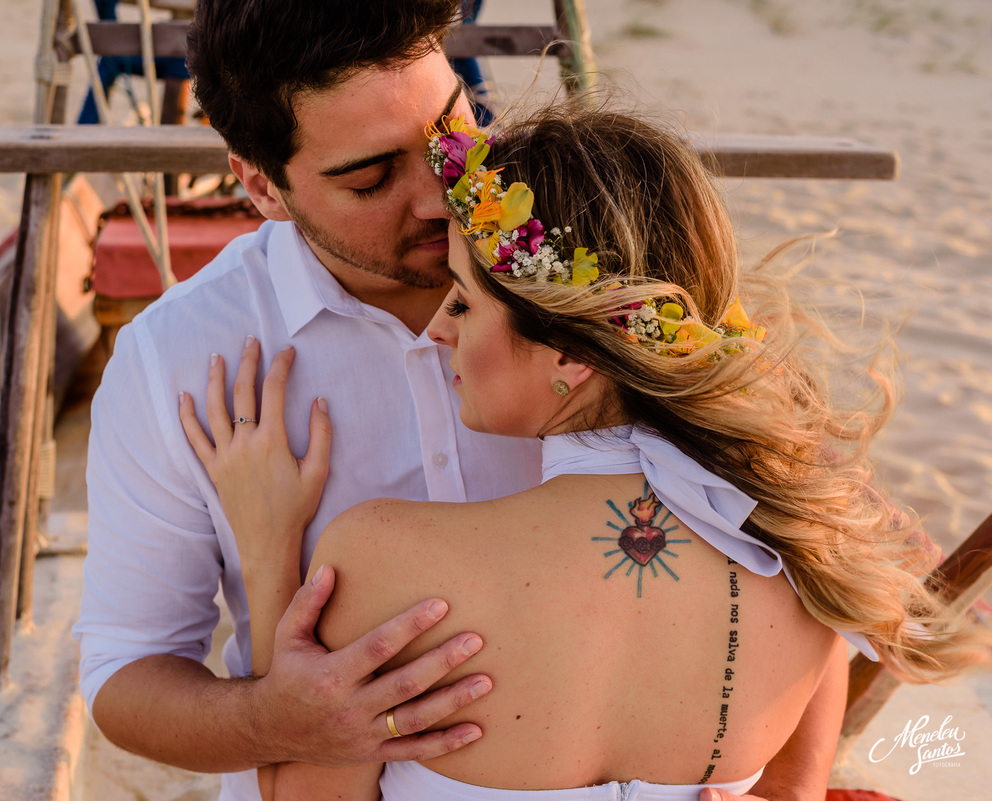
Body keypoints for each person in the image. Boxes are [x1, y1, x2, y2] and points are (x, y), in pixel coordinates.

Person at [75, 1, 856, 799]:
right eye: (372, 177)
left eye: (452, 134)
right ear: (260, 184)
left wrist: (789, 789)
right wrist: (281, 717)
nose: (441, 194)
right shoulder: (173, 361)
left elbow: (788, 508)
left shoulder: (581, 258)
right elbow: (125, 670)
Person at [178, 101, 990, 800]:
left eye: (464, 301)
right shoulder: (808, 546)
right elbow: (793, 788)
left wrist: (267, 546)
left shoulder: (383, 558)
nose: (439, 330)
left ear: (570, 354)